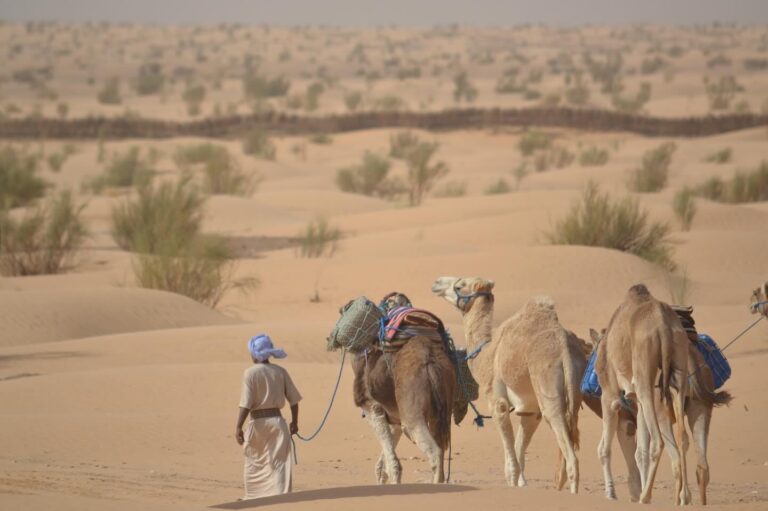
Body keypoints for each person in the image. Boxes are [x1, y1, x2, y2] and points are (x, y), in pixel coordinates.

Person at [235, 334, 302, 499]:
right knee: (279, 463)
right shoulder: (280, 371)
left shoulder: (250, 373)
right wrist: (294, 422)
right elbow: (294, 400)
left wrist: (238, 426)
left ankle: (253, 498)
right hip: (278, 422)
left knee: (254, 462)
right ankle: (280, 498)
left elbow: (246, 403)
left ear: (255, 354)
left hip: (257, 423)